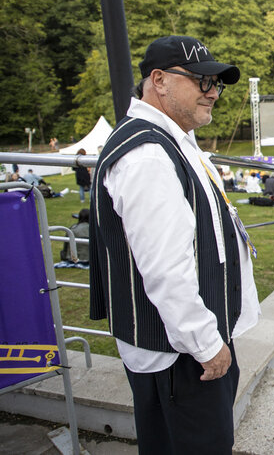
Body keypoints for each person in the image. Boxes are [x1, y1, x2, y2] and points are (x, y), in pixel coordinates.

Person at [88, 35, 260, 454]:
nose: (214, 93)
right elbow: (166, 269)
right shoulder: (147, 154)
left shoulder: (170, 140)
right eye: (202, 82)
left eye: (218, 84)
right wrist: (206, 343)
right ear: (159, 80)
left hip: (185, 348)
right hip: (181, 356)